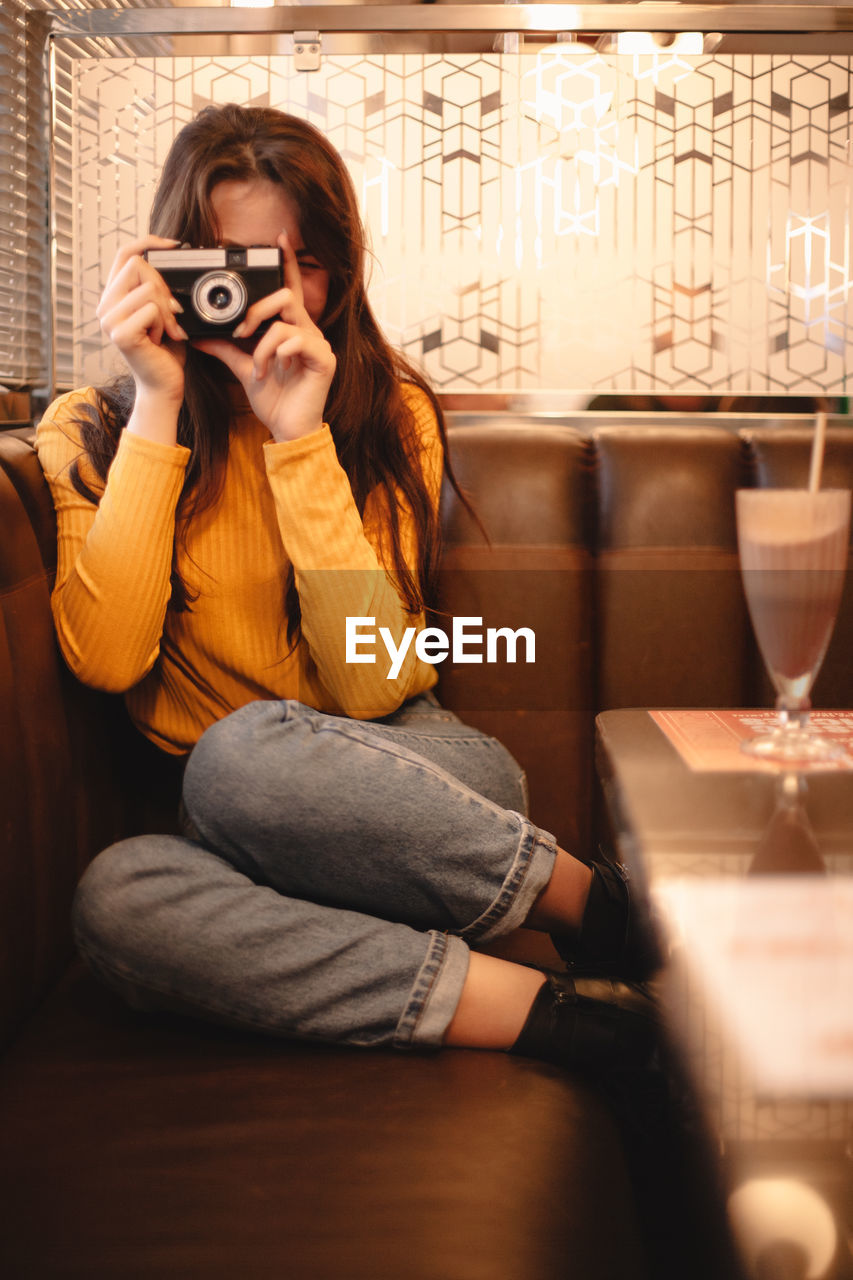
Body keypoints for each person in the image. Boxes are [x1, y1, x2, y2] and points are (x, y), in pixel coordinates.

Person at [36, 104, 659, 1074]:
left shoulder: (384, 407)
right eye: (230, 267)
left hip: (418, 787)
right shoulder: (96, 428)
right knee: (118, 894)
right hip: (237, 829)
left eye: (298, 265)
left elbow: (374, 682)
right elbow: (110, 655)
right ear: (169, 267)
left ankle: (594, 905)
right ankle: (561, 1014)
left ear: (337, 270)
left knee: (237, 751)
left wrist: (298, 438)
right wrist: (157, 400)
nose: (259, 297)